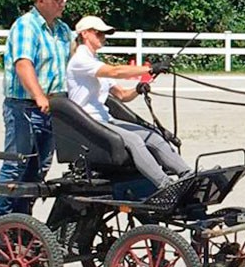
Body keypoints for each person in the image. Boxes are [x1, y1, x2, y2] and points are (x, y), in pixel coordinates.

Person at [66, 15, 191, 193]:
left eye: (104, 34)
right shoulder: (80, 61)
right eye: (99, 33)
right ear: (85, 34)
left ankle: (187, 175)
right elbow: (116, 71)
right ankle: (166, 186)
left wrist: (138, 88)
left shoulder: (94, 63)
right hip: (88, 122)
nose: (103, 37)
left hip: (104, 119)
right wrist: (149, 68)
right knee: (134, 140)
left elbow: (122, 95)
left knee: (153, 136)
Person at [0, 0, 75, 218]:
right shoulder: (25, 26)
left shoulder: (62, 30)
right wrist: (39, 96)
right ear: (41, 0)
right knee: (15, 166)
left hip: (53, 108)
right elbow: (23, 64)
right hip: (24, 107)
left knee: (38, 170)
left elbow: (75, 63)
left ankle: (22, 223)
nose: (63, 4)